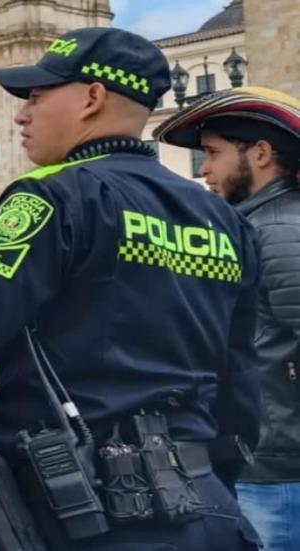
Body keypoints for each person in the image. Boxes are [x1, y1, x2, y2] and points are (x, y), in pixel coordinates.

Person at [0, 27, 261, 550]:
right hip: (208, 505)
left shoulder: (51, 197)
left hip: (84, 509)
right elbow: (241, 384)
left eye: (35, 96)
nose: (21, 114)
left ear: (91, 98)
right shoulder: (223, 219)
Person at [155, 86, 300, 551]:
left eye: (213, 153)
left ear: (260, 153)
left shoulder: (275, 234)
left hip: (278, 473)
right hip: (259, 461)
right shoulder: (251, 228)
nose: (204, 170)